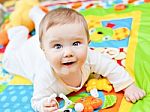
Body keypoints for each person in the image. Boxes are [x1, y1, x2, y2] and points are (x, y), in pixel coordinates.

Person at [2, 7, 146, 112]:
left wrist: (128, 86)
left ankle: (37, 15)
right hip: (27, 54)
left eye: (76, 43)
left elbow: (111, 67)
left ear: (88, 43)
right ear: (44, 50)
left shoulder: (90, 57)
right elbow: (37, 100)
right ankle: (18, 34)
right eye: (58, 46)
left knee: (51, 29)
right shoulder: (45, 76)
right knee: (7, 61)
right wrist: (44, 105)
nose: (68, 52)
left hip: (46, 42)